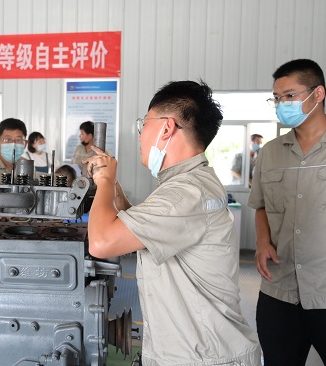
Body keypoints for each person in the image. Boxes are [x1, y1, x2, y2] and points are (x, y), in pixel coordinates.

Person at [83, 80, 261, 365]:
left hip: (200, 358)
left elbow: (102, 243)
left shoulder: (184, 193)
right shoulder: (192, 183)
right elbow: (144, 228)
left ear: (166, 127)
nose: (140, 136)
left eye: (144, 124)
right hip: (199, 350)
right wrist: (113, 186)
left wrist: (104, 182)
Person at [248, 59, 326, 365]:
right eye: (277, 98)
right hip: (279, 293)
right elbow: (261, 205)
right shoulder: (271, 152)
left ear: (318, 94)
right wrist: (262, 242)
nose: (282, 104)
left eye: (289, 96)